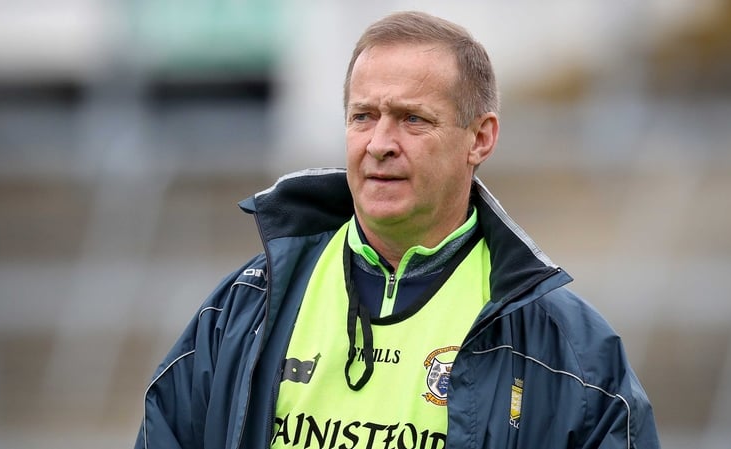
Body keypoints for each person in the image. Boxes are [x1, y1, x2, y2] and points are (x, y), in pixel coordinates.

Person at [135, 10, 660, 449]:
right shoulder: (242, 311)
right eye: (363, 116)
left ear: (480, 138)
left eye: (412, 119)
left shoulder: (569, 350)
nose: (380, 143)